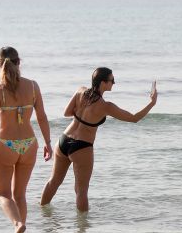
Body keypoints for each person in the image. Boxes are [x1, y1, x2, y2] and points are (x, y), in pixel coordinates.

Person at [40, 68, 157, 211]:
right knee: (81, 191)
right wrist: (152, 103)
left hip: (63, 140)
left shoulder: (80, 91)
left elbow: (66, 113)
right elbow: (134, 118)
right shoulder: (106, 106)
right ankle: (83, 230)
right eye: (111, 80)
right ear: (103, 83)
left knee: (53, 182)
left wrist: (81, 115)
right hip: (81, 146)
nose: (114, 83)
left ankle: (42, 218)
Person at [0, 46, 53, 233]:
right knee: (20, 194)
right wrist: (48, 143)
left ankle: (17, 224)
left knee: (4, 194)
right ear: (19, 62)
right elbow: (42, 117)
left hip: (5, 144)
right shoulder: (33, 86)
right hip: (29, 144)